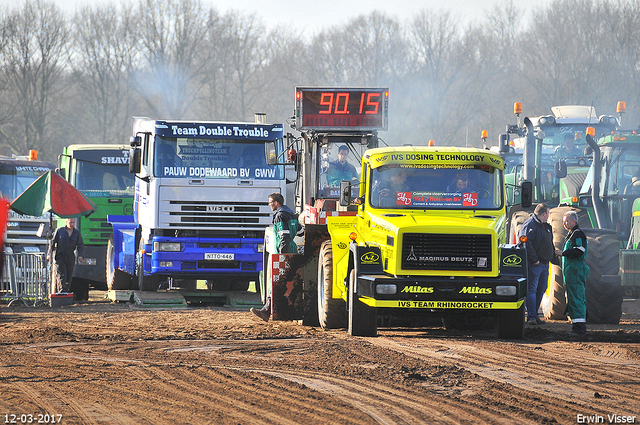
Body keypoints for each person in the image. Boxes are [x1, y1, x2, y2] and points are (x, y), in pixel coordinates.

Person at [251, 193, 301, 322]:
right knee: (285, 282)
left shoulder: (280, 215)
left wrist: (282, 256)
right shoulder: (292, 214)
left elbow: (284, 237)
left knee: (276, 282)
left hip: (285, 251)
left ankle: (267, 311)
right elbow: (301, 231)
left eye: (270, 202)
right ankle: (267, 310)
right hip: (293, 248)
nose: (269, 205)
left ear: (276, 203)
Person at [519, 203, 556, 325]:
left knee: (542, 288)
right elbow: (526, 243)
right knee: (532, 290)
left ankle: (535, 314)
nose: (548, 216)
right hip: (535, 264)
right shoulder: (530, 225)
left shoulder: (546, 226)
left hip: (544, 264)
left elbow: (549, 244)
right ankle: (531, 316)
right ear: (543, 214)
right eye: (548, 214)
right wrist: (535, 260)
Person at [557, 210, 589, 336]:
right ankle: (576, 326)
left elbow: (579, 251)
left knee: (576, 299)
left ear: (574, 221)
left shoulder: (578, 234)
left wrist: (563, 253)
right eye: (563, 221)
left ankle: (579, 329)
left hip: (575, 273)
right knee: (573, 298)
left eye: (566, 221)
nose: (564, 223)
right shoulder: (572, 234)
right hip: (571, 273)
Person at [49, 218, 84, 294]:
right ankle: (62, 291)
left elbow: (80, 245)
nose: (72, 224)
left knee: (68, 276)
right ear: (66, 222)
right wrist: (49, 253)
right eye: (70, 222)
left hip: (70, 257)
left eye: (73, 223)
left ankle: (66, 292)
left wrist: (80, 256)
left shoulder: (77, 233)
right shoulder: (60, 231)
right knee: (62, 275)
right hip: (60, 257)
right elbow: (52, 242)